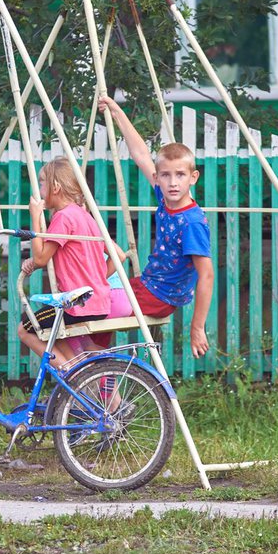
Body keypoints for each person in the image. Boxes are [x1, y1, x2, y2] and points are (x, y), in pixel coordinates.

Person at [99, 94, 214, 358]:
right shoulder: (164, 197)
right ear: (157, 178)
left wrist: (197, 327)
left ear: (193, 178)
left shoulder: (191, 223)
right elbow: (141, 154)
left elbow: (206, 275)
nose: (173, 182)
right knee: (99, 302)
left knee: (101, 307)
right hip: (149, 284)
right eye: (166, 175)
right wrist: (117, 112)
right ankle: (98, 370)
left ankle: (99, 369)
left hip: (161, 296)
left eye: (180, 175)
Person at [18, 156, 112, 370]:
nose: (40, 190)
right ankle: (79, 374)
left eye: (42, 183)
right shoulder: (84, 215)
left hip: (76, 306)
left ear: (56, 187)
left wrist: (35, 218)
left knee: (24, 329)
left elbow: (41, 258)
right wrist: (95, 281)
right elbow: (119, 256)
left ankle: (71, 373)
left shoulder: (63, 217)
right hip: (97, 302)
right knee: (52, 331)